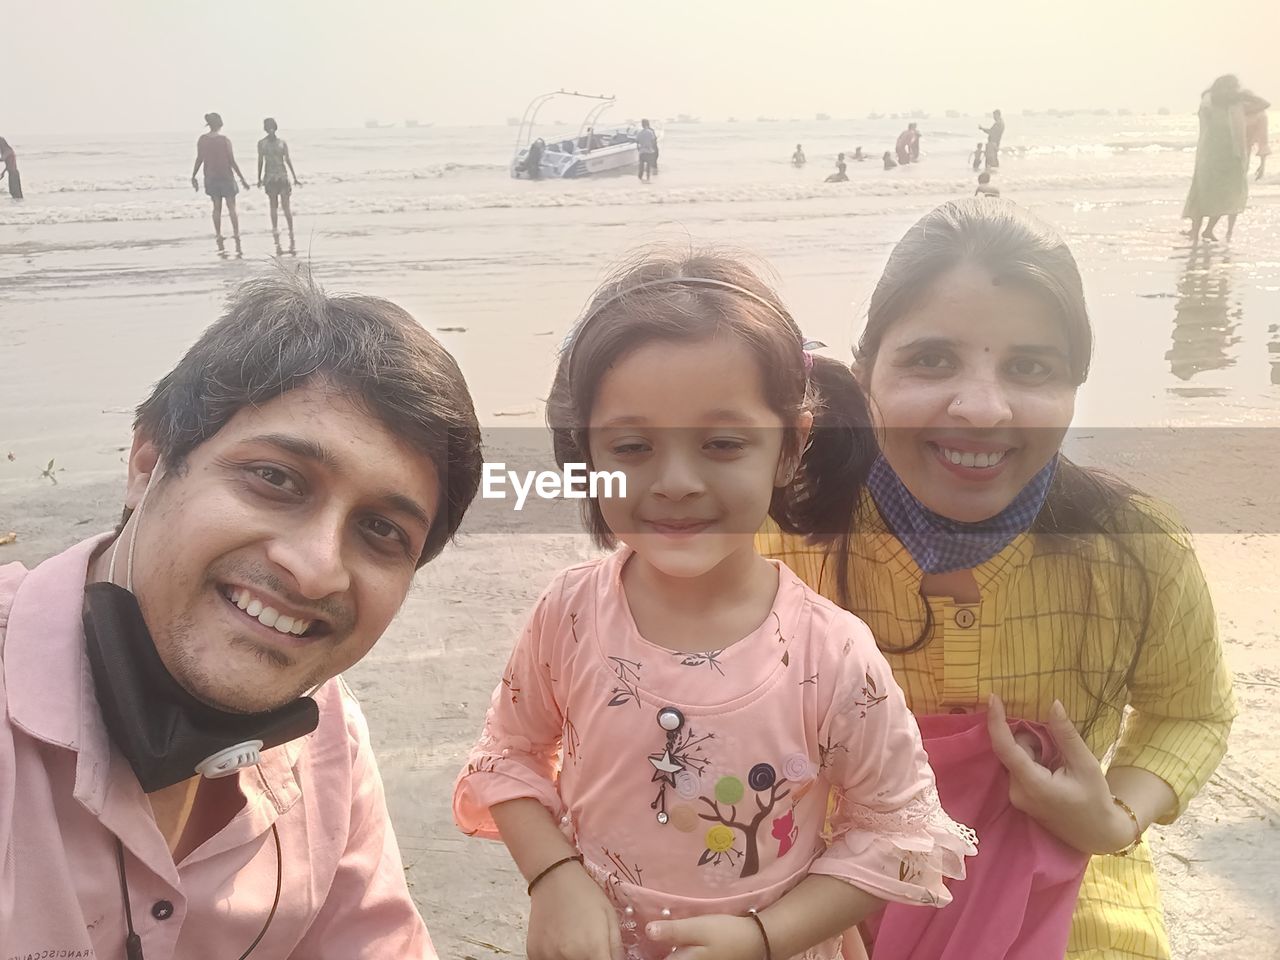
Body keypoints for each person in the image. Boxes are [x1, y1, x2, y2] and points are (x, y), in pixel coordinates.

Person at [453, 253, 977, 960]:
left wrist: (764, 936)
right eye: (632, 446)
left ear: (790, 448)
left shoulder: (832, 655)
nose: (675, 482)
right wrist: (554, 877)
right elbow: (509, 756)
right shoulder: (570, 614)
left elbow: (896, 833)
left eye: (723, 444)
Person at [759, 198, 1234, 959]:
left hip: (1065, 882)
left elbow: (1193, 710)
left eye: (1030, 367)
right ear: (865, 371)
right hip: (821, 884)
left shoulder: (1136, 548)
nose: (982, 408)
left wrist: (1113, 816)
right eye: (932, 360)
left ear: (1076, 385)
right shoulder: (776, 541)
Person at [1, 268, 485, 959]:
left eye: (381, 530)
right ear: (148, 460)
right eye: (276, 479)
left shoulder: (327, 736)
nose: (317, 567)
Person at [1183, 76, 1270, 242]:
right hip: (1209, 157)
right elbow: (1206, 107)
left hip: (1232, 158)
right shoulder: (1208, 103)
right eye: (1230, 87)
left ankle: (1208, 230)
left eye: (1234, 88)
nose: (1232, 91)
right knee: (1202, 194)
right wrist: (1217, 94)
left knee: (1226, 197)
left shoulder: (1238, 106)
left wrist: (1244, 95)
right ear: (1219, 87)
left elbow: (1264, 104)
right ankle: (1194, 233)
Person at [191, 112, 251, 254]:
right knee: (231, 207)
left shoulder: (202, 140)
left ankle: (218, 234)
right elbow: (232, 161)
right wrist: (242, 179)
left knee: (216, 207)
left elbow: (199, 159)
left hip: (211, 177)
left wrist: (193, 175)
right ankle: (236, 233)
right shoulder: (224, 140)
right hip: (226, 177)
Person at [257, 118, 302, 253]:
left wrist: (259, 178)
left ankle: (277, 229)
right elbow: (286, 160)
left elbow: (261, 161)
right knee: (284, 205)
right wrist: (294, 177)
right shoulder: (281, 143)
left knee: (274, 206)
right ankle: (290, 230)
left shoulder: (262, 143)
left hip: (272, 177)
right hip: (281, 177)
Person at [1245, 105, 1269, 180]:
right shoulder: (1261, 113)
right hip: (1257, 117)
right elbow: (1263, 142)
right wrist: (1263, 164)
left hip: (1248, 119)